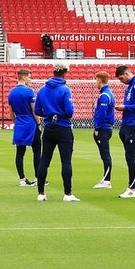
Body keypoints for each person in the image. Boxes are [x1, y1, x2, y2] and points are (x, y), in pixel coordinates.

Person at [34, 63, 79, 203]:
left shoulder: (42, 90)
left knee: (44, 160)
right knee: (66, 161)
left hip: (49, 127)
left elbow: (37, 110)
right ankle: (67, 193)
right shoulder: (65, 89)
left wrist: (48, 114)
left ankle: (41, 193)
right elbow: (69, 111)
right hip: (63, 126)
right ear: (65, 73)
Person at [114, 65, 135, 198]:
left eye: (122, 78)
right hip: (127, 124)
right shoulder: (129, 87)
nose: (121, 81)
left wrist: (125, 107)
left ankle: (133, 188)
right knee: (130, 156)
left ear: (127, 73)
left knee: (131, 156)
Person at [8, 68, 41, 187]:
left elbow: (11, 112)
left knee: (20, 152)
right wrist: (38, 123)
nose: (30, 80)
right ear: (23, 77)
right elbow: (34, 110)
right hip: (30, 123)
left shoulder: (11, 92)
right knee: (37, 150)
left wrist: (16, 123)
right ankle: (38, 178)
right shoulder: (29, 91)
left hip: (19, 122)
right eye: (29, 77)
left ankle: (22, 179)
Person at [91, 71, 115, 189]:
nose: (96, 82)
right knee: (104, 154)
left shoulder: (105, 95)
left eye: (96, 80)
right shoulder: (107, 93)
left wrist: (97, 127)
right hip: (106, 127)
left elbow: (102, 113)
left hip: (103, 128)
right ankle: (106, 178)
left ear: (99, 80)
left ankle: (107, 180)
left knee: (105, 154)